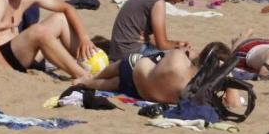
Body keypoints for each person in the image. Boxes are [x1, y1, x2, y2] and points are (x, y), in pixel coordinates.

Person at [76, 42, 232, 104]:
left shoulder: (180, 57)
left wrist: (187, 52)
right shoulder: (202, 91)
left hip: (135, 74)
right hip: (140, 93)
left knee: (124, 64)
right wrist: (228, 75)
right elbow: (234, 104)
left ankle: (90, 79)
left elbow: (159, 58)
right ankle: (89, 82)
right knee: (116, 84)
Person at [107, 0, 197, 61]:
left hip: (118, 52)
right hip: (129, 54)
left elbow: (153, 39)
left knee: (182, 52)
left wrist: (177, 44)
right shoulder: (158, 1)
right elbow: (162, 44)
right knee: (190, 55)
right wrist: (179, 48)